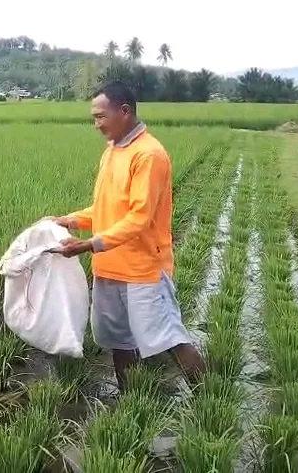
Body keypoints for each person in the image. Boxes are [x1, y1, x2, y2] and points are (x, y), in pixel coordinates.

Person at [47, 80, 205, 392]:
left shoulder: (149, 155)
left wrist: (90, 244)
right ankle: (130, 401)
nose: (96, 124)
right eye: (94, 118)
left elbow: (139, 218)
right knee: (118, 340)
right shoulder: (112, 153)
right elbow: (106, 208)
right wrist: (69, 220)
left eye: (100, 117)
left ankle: (211, 398)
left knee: (168, 337)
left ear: (125, 111)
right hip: (109, 267)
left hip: (143, 269)